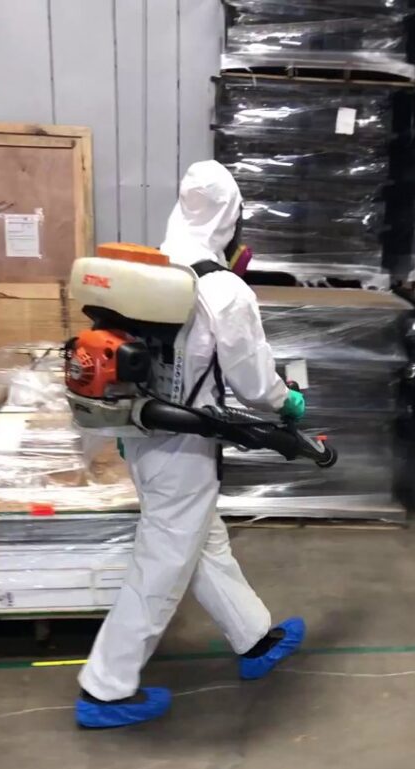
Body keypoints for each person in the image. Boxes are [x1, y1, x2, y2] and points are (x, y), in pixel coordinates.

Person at [76, 161, 306, 729]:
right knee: (162, 563)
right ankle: (104, 689)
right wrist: (287, 404)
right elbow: (253, 383)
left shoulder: (145, 272)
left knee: (202, 540)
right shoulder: (223, 290)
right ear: (230, 218)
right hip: (185, 448)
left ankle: (254, 638)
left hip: (139, 433)